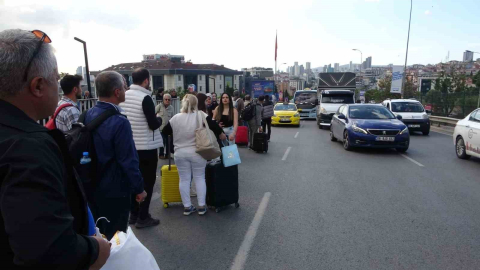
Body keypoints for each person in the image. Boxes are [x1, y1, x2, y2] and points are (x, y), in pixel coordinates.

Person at [0, 29, 109, 269]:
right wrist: (95, 249)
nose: (58, 87)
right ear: (38, 86)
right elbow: (49, 250)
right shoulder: (28, 148)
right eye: (55, 78)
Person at [85, 71, 147, 237]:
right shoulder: (119, 121)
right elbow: (128, 160)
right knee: (116, 236)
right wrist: (139, 188)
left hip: (91, 184)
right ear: (117, 92)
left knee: (99, 232)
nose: (126, 90)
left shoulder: (88, 114)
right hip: (114, 188)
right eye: (124, 87)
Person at [161, 94, 226, 216]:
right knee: (199, 178)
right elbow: (215, 127)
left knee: (184, 179)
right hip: (197, 152)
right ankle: (201, 206)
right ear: (195, 104)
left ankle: (187, 207)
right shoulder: (201, 115)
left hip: (180, 153)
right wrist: (222, 134)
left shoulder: (175, 118)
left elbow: (165, 131)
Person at [120, 68, 162, 228]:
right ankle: (143, 216)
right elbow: (152, 124)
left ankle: (133, 214)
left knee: (133, 180)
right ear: (146, 80)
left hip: (130, 145)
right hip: (147, 147)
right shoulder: (145, 98)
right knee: (148, 182)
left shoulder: (124, 96)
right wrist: (158, 119)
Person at [156, 93, 174, 159]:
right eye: (166, 99)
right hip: (160, 128)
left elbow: (172, 118)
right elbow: (153, 113)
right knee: (162, 142)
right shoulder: (159, 106)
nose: (167, 101)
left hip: (168, 129)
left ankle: (167, 155)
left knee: (168, 142)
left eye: (169, 100)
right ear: (163, 100)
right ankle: (161, 154)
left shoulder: (171, 108)